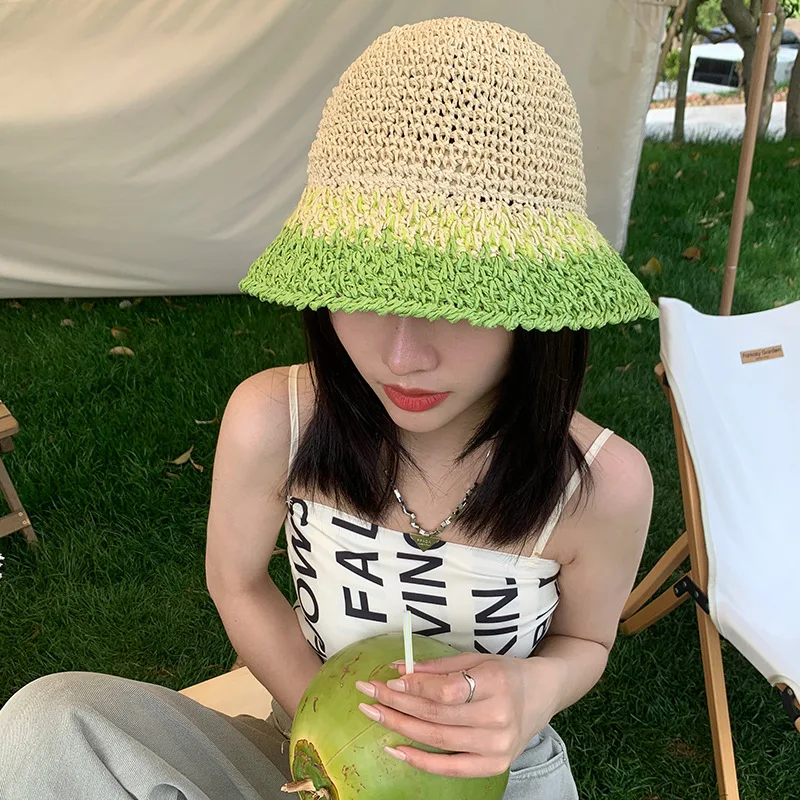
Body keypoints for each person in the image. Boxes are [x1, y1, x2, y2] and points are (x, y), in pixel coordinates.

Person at [0, 16, 656, 800]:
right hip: (305, 752)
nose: (402, 355)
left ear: (536, 301)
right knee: (47, 724)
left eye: (460, 296)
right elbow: (237, 582)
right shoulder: (273, 421)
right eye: (363, 287)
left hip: (492, 776)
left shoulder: (602, 485)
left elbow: (587, 641)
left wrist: (533, 691)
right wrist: (336, 735)